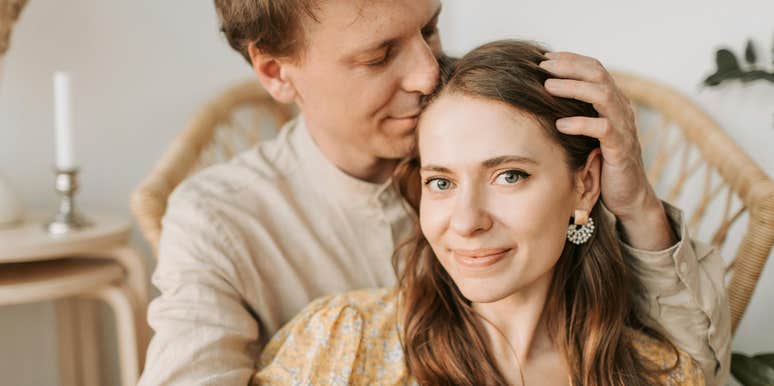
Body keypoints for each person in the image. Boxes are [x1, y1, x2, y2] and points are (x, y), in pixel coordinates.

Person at [138, 1, 729, 385]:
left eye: (430, 28)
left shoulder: (492, 119)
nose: (428, 74)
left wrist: (636, 205)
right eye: (379, 55)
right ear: (274, 72)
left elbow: (692, 366)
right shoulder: (220, 222)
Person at [254, 40, 707, 385]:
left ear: (584, 185)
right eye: (442, 182)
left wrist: (639, 205)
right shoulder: (341, 343)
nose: (467, 221)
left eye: (509, 176)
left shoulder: (657, 372)